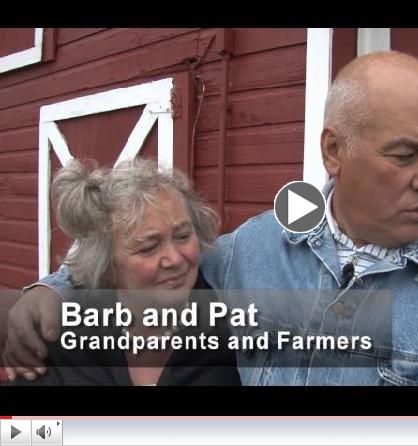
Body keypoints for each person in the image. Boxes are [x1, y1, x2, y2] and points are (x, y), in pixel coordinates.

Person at [2, 51, 418, 385]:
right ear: (333, 152)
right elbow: (153, 265)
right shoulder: (258, 249)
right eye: (404, 155)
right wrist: (48, 291)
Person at [3, 158, 240, 385]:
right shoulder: (60, 338)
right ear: (107, 264)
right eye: (148, 248)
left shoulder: (234, 330)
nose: (176, 259)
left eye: (183, 236)